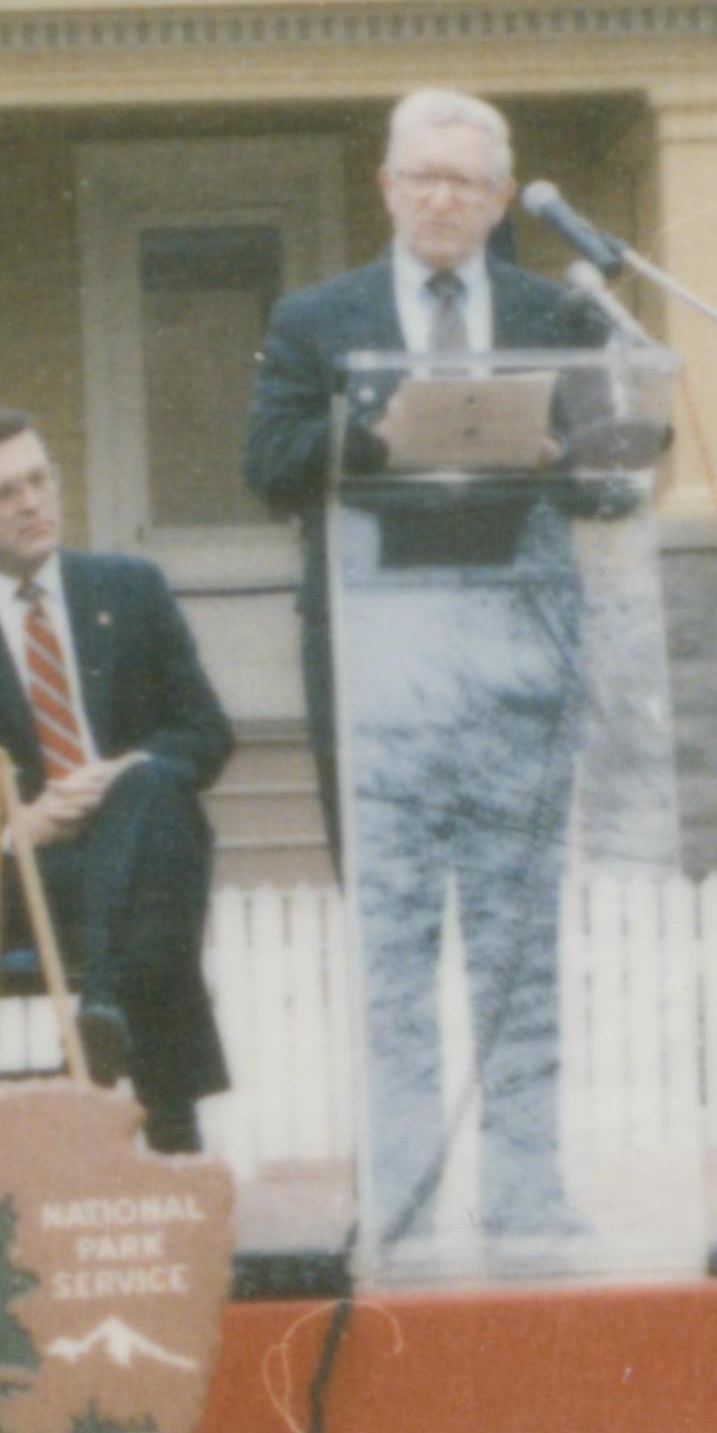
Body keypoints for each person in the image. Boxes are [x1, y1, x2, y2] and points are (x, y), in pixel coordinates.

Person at [241, 88, 629, 1248]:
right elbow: (268, 466)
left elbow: (611, 475)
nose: (444, 198)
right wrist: (386, 422)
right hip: (379, 679)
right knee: (395, 954)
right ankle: (403, 1193)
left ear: (504, 199)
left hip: (516, 664)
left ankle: (527, 1189)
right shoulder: (320, 317)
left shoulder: (554, 312)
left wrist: (574, 447)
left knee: (517, 947)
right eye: (425, 177)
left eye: (467, 181)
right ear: (389, 187)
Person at [0, 407, 236, 1155]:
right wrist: (14, 820)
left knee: (156, 789)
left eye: (40, 480)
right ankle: (168, 1118)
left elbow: (206, 736)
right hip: (10, 875)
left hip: (133, 848)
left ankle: (105, 1007)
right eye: (3, 494)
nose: (33, 503)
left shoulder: (130, 588)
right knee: (155, 872)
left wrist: (119, 775)